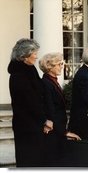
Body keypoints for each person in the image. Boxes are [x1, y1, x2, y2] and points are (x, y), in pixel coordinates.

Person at [7, 38, 50, 167]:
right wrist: (44, 120)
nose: (37, 57)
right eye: (34, 53)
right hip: (27, 126)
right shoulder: (18, 75)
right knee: (29, 161)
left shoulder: (29, 70)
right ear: (24, 55)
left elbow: (40, 92)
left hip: (34, 123)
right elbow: (30, 101)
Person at [39, 52, 81, 166]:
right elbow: (50, 112)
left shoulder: (53, 81)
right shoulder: (46, 83)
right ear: (49, 66)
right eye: (59, 64)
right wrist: (64, 132)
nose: (62, 66)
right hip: (53, 134)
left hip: (58, 132)